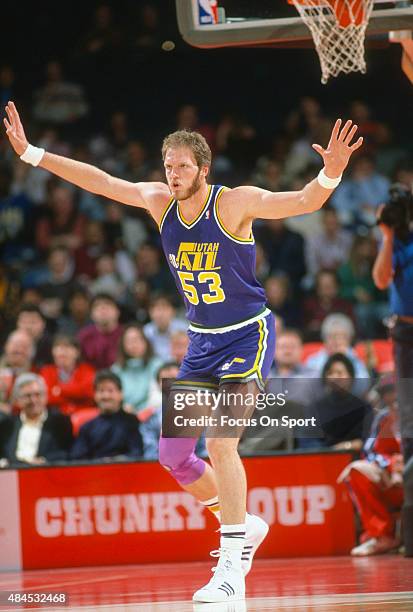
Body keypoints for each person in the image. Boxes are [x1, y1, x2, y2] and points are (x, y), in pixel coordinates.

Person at [4, 100, 363, 603]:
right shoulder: (157, 202)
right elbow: (101, 181)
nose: (172, 174)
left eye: (182, 166)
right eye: (167, 165)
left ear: (203, 168)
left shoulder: (233, 203)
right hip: (201, 342)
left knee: (221, 442)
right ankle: (243, 522)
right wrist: (33, 154)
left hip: (246, 335)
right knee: (173, 456)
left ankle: (233, 567)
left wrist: (328, 176)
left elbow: (302, 203)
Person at [373, 184, 413, 557]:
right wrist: (386, 236)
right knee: (411, 428)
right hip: (404, 334)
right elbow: (382, 280)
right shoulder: (395, 241)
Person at [338, 377, 403, 556]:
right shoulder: (382, 418)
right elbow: (369, 451)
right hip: (393, 480)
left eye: (395, 391)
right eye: (387, 393)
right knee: (356, 470)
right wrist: (390, 464)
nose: (392, 397)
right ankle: (381, 536)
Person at [0, 372, 73, 466]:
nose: (33, 400)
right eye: (27, 396)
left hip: (45, 474)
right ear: (17, 400)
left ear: (46, 396)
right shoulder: (6, 425)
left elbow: (66, 454)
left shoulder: (61, 423)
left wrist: (44, 461)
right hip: (12, 476)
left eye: (37, 394)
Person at [70, 370, 144, 462]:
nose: (106, 396)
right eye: (101, 391)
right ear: (95, 395)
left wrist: (114, 462)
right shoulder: (86, 428)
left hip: (125, 472)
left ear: (121, 394)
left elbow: (137, 453)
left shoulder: (132, 422)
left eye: (110, 390)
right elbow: (77, 459)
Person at [39, 334, 96, 416]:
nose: (62, 351)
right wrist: (75, 396)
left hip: (82, 416)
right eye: (58, 347)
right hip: (54, 416)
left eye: (67, 347)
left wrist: (59, 390)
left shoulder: (87, 370)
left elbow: (88, 393)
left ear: (77, 352)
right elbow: (46, 397)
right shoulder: (46, 371)